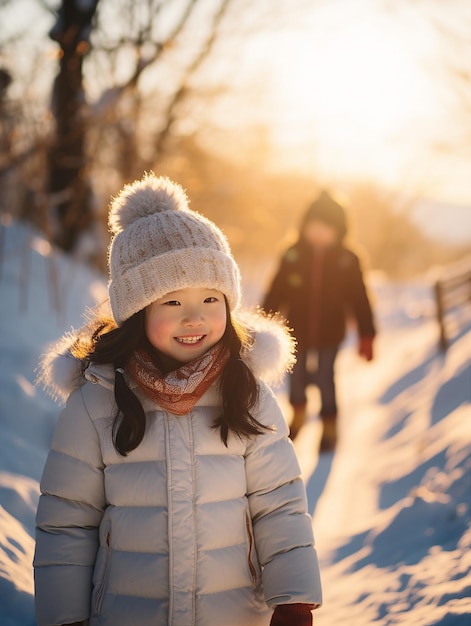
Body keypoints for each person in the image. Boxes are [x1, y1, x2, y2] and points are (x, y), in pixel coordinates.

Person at [34, 174, 322, 626]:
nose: (195, 317)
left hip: (231, 613)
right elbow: (67, 521)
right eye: (171, 301)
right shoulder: (96, 401)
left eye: (211, 298)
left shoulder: (244, 392)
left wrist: (294, 598)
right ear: (136, 310)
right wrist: (63, 616)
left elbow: (279, 503)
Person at [263, 190, 375, 451]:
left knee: (325, 377)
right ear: (304, 226)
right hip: (296, 330)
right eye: (314, 227)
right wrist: (264, 321)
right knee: (297, 375)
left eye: (327, 228)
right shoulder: (293, 253)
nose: (319, 233)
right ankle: (298, 416)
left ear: (339, 230)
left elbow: (360, 298)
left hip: (330, 332)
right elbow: (276, 290)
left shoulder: (348, 259)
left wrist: (367, 334)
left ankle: (329, 427)